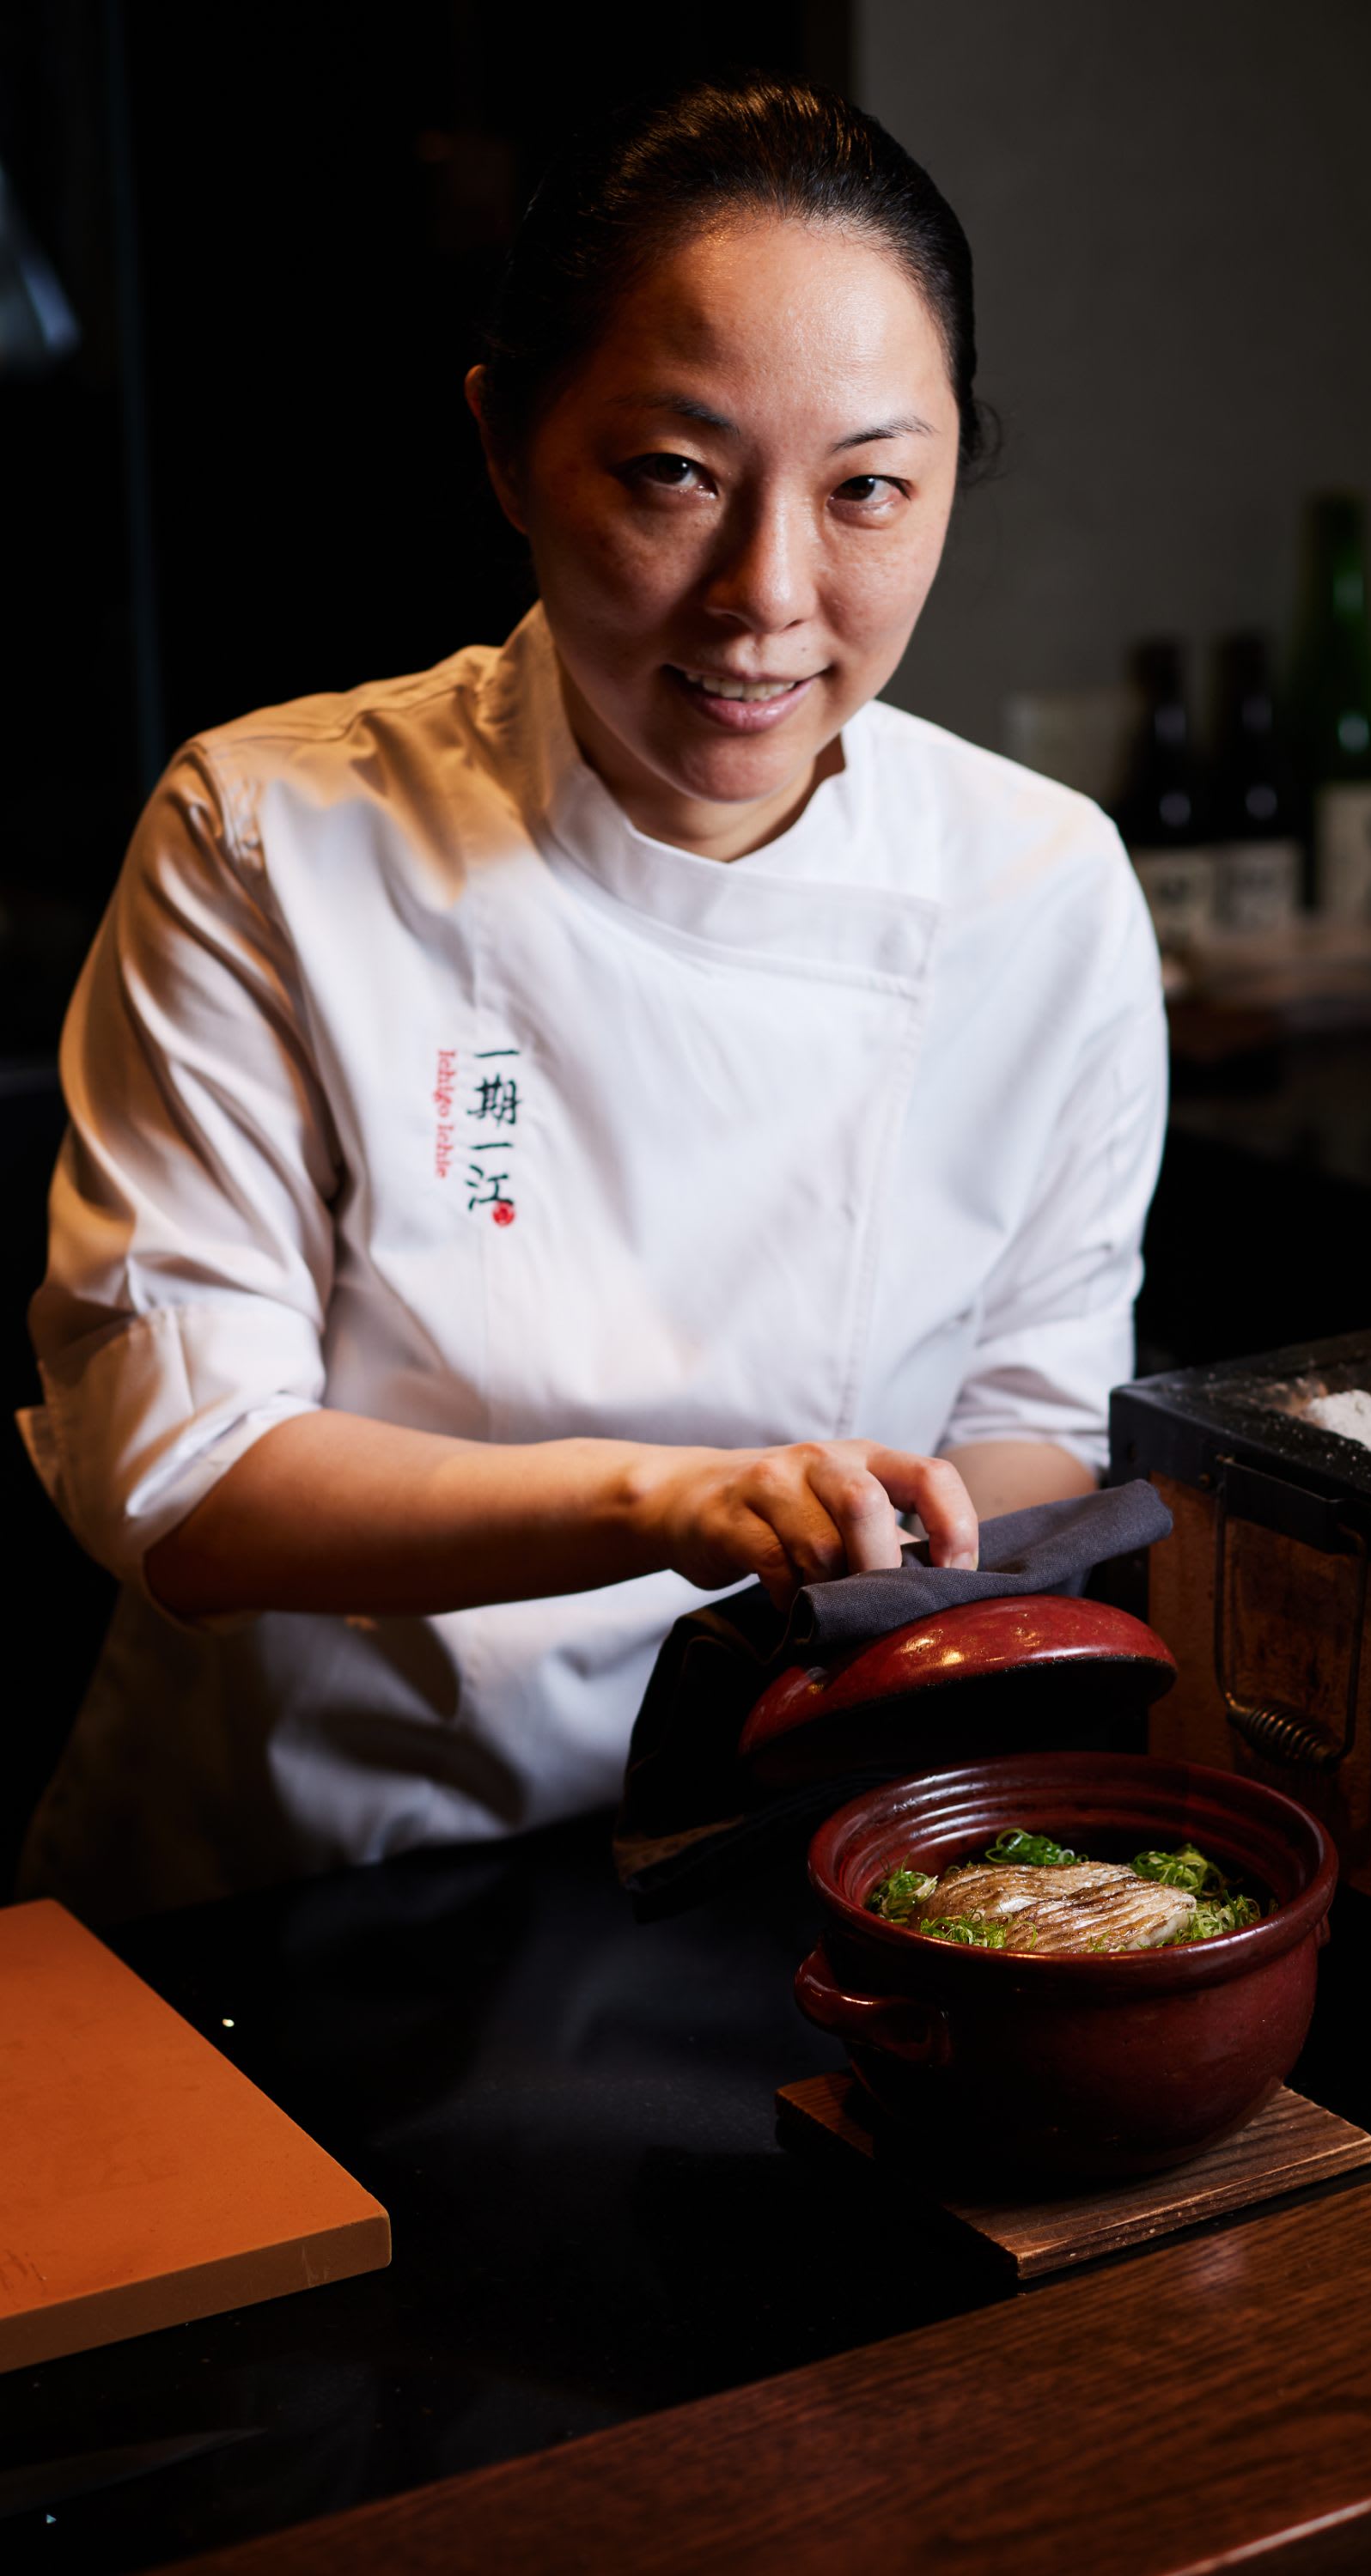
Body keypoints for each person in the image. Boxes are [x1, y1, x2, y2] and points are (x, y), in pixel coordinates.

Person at [20, 76, 1167, 1922]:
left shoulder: (1037, 887)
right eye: (673, 475)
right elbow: (188, 1478)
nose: (767, 599)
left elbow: (1041, 1418)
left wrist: (913, 1528)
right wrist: (678, 1502)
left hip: (791, 1862)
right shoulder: (273, 832)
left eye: (868, 488)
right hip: (310, 1884)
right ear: (503, 446)